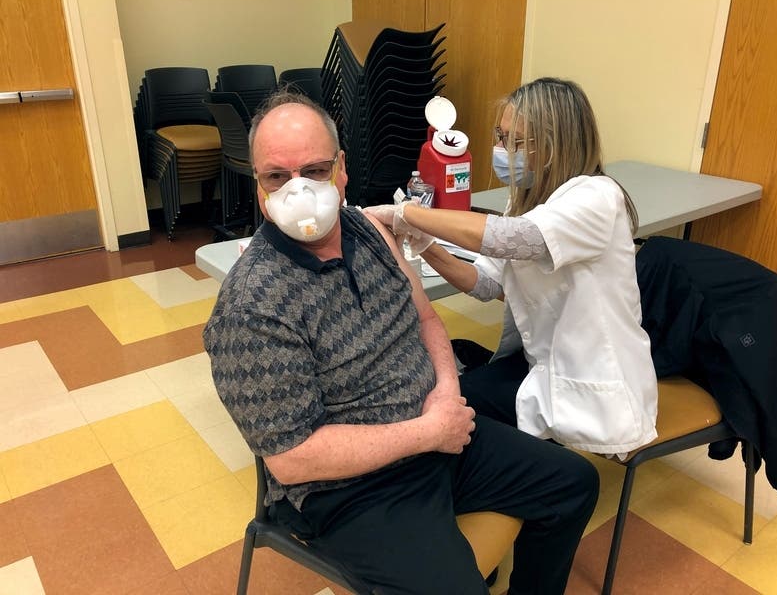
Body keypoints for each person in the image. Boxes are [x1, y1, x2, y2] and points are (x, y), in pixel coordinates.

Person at [203, 90, 599, 595]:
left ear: (342, 168)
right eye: (277, 177)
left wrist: (446, 394)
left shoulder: (368, 230)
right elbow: (292, 457)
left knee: (572, 485)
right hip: (352, 488)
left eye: (316, 171)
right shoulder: (252, 307)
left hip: (437, 433)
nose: (298, 191)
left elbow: (428, 319)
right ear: (258, 186)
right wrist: (429, 431)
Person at [365, 77, 658, 458]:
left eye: (515, 141)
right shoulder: (527, 202)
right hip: (545, 363)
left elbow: (514, 238)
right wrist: (425, 244)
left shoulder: (597, 197)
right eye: (500, 136)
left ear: (556, 143)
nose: (501, 150)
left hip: (595, 384)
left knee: (454, 405)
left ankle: (509, 481)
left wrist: (410, 213)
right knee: (446, 371)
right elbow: (486, 282)